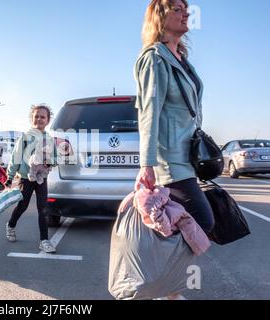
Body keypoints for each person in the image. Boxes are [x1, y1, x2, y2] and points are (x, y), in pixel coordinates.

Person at [134, 0, 214, 299]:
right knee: (202, 221)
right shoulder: (154, 57)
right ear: (160, 16)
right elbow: (149, 111)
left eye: (186, 8)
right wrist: (147, 162)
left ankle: (165, 288)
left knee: (181, 222)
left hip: (186, 156)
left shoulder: (180, 57)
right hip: (168, 157)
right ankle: (158, 285)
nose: (187, 12)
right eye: (178, 8)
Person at [4, 104, 57, 254]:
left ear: (47, 120)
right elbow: (15, 158)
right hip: (26, 178)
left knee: (43, 208)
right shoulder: (25, 138)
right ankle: (11, 225)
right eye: (37, 116)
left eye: (43, 117)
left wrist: (49, 161)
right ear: (32, 118)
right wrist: (10, 177)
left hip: (41, 178)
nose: (39, 119)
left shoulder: (49, 139)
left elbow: (56, 158)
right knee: (23, 206)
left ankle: (44, 240)